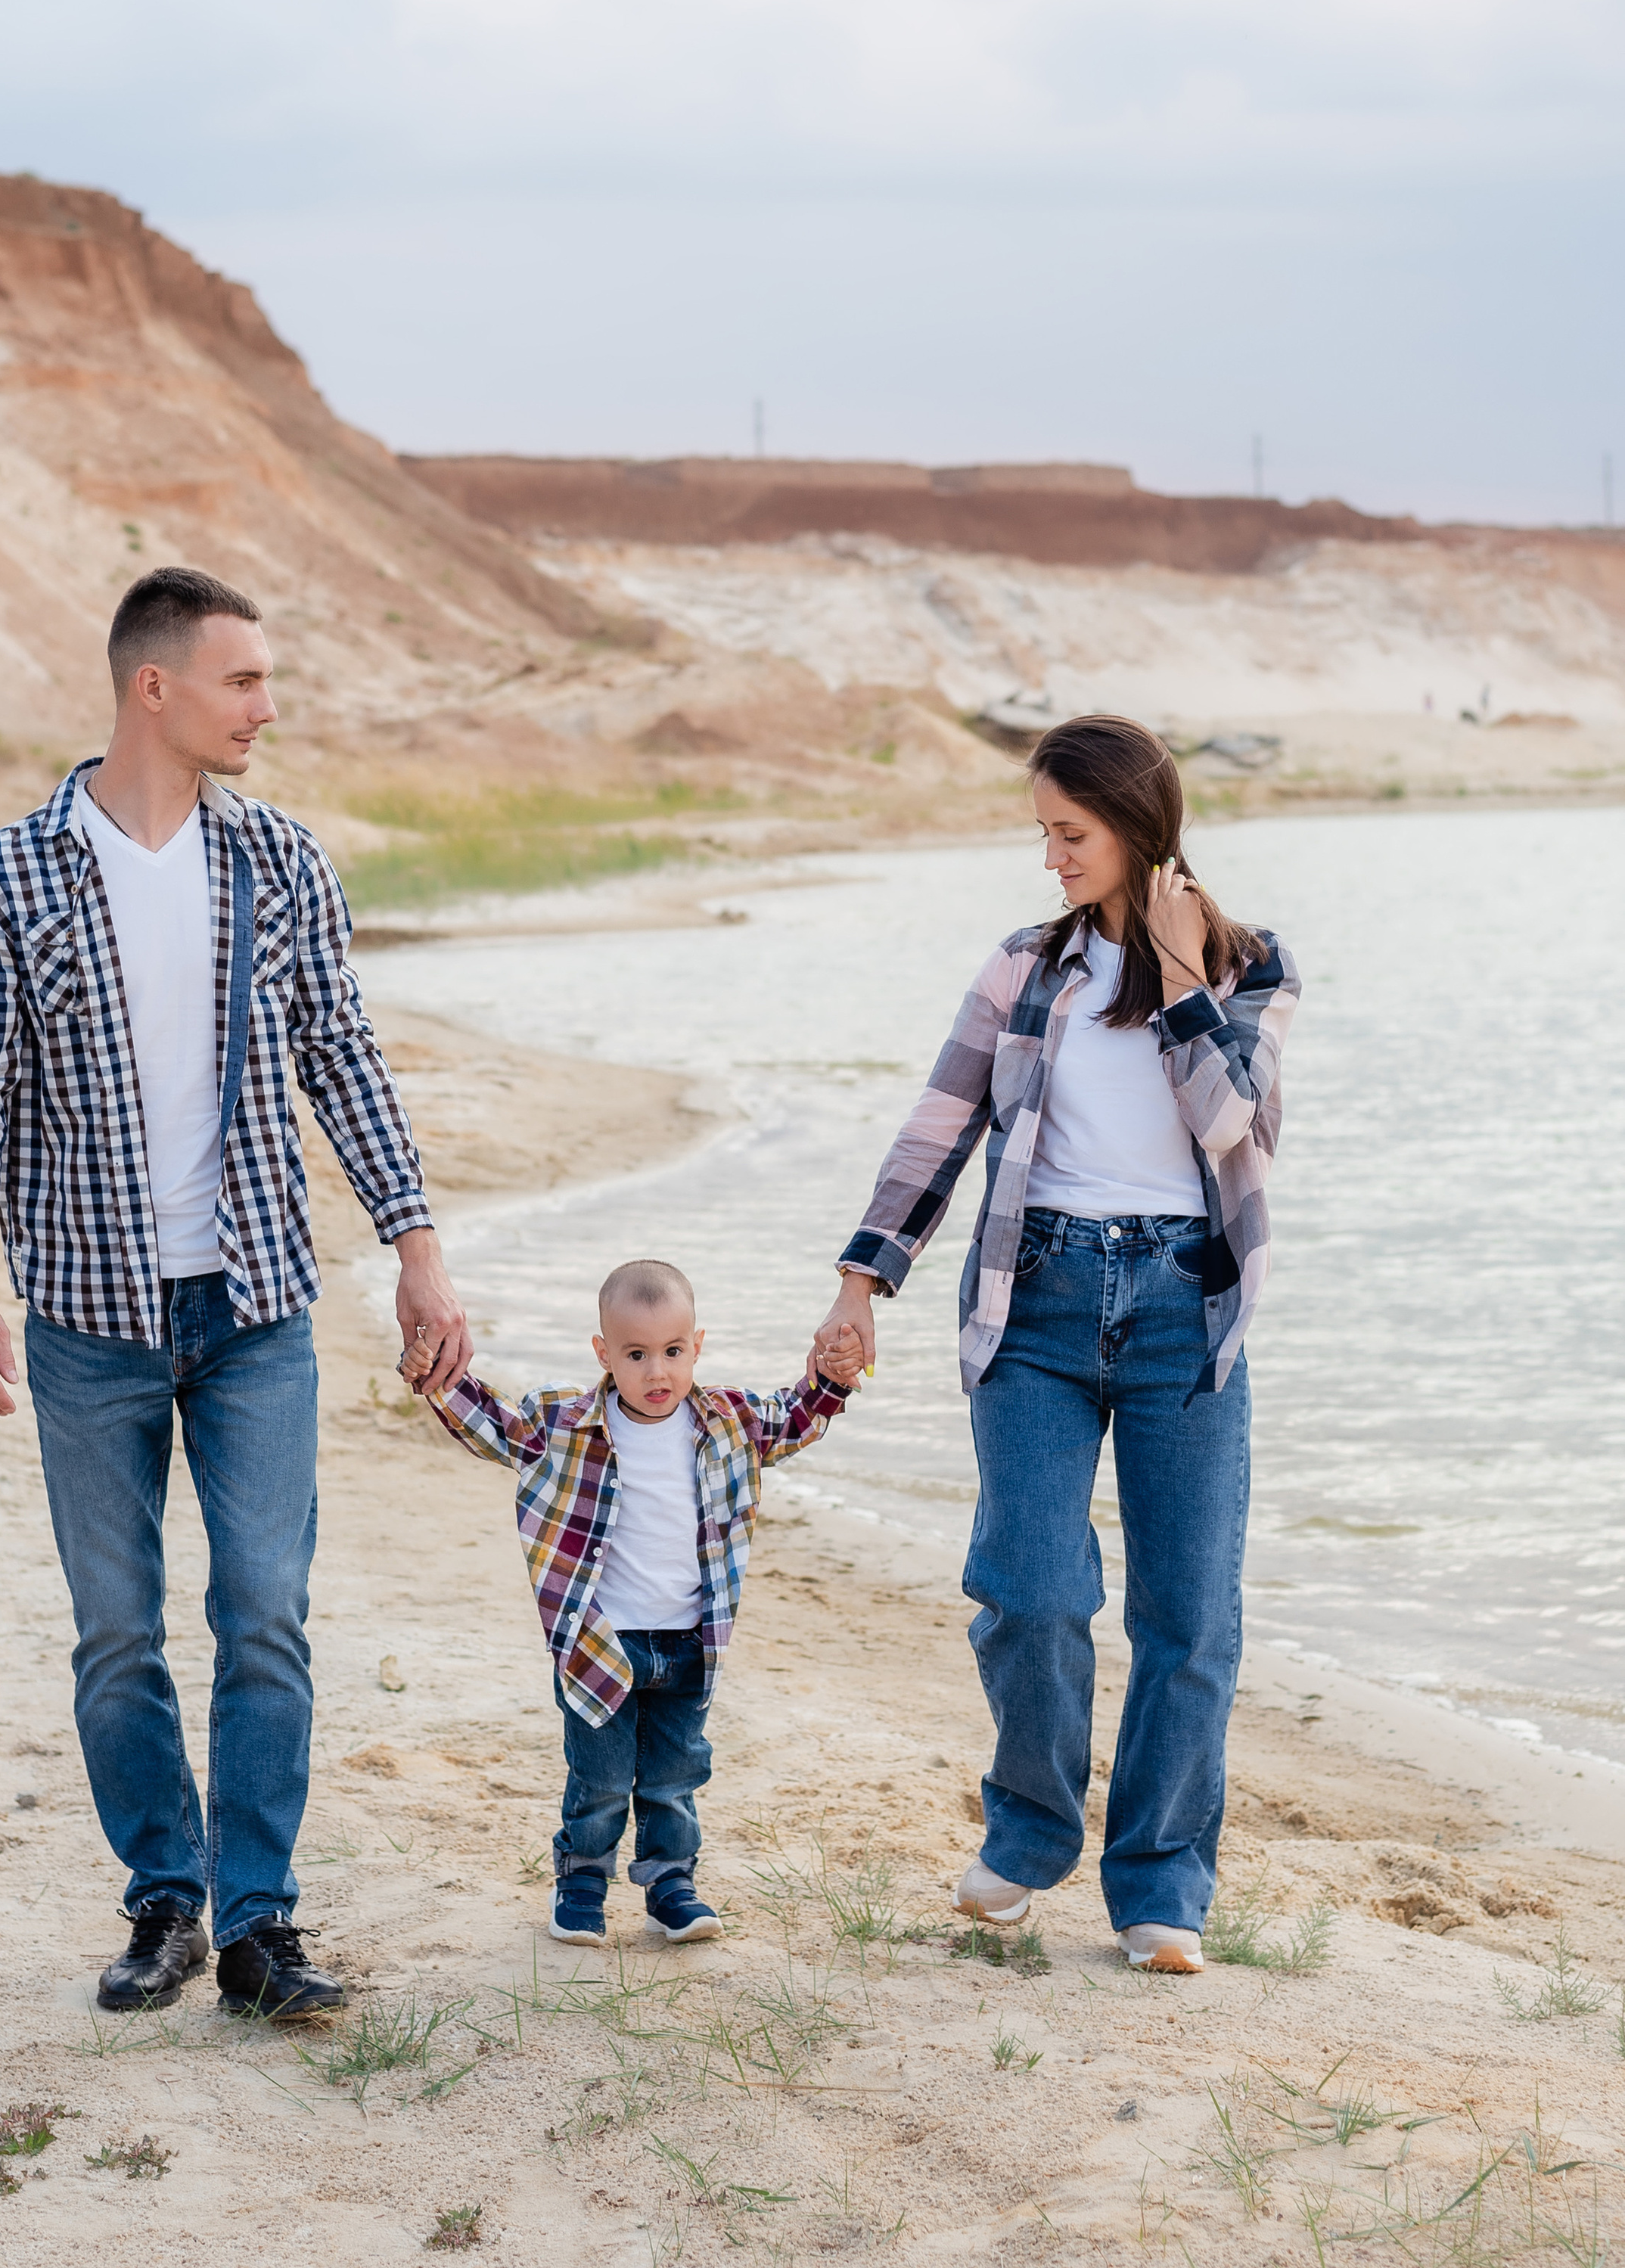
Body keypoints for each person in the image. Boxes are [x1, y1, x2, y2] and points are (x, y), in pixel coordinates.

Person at [0, 565, 471, 2018]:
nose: (266, 707)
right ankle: (166, 1897)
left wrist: (416, 1242)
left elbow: (342, 1055)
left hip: (258, 1310)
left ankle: (261, 1923)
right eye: (243, 681)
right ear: (151, 686)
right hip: (88, 1318)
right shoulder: (12, 872)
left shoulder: (280, 860)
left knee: (265, 1610)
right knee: (116, 1630)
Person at [811, 713, 1300, 1975]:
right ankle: (1030, 1833)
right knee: (1030, 1587)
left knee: (1189, 1617)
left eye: (1069, 833)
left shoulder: (1252, 967)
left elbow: (1238, 1129)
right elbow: (939, 1124)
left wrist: (1187, 977)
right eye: (1042, 832)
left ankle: (1159, 1889)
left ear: (1139, 828)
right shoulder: (1024, 968)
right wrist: (863, 1281)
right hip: (1036, 1301)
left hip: (1186, 1314)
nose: (1050, 856)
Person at [399, 1260, 862, 1945]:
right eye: (637, 1355)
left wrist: (834, 1374)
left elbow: (798, 1418)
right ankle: (582, 1881)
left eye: (673, 1352)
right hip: (600, 1644)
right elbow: (491, 1424)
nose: (657, 1373)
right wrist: (434, 1370)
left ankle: (672, 1885)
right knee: (602, 1778)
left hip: (688, 1643)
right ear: (604, 1354)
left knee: (676, 1776)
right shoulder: (565, 1423)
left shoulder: (729, 1422)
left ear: (696, 1346)